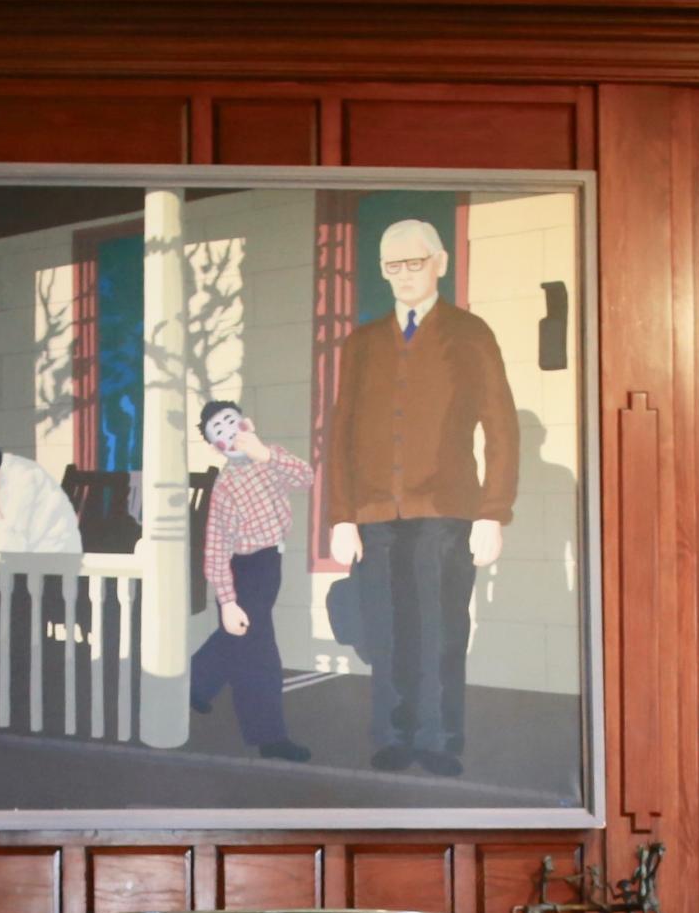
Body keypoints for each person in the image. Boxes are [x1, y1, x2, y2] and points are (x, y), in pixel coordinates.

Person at [325, 218, 519, 777]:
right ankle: (392, 735)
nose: (405, 275)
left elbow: (501, 424)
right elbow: (340, 431)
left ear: (440, 263)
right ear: (382, 272)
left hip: (448, 511)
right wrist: (341, 516)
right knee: (384, 629)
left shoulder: (470, 333)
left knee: (440, 627)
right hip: (374, 515)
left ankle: (439, 739)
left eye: (415, 262)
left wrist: (493, 512)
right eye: (393, 265)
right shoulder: (361, 343)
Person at [187, 400, 312, 762]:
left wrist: (265, 455)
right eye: (219, 434)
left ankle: (195, 684)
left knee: (240, 642)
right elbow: (216, 547)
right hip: (242, 569)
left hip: (270, 561)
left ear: (248, 423)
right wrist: (227, 601)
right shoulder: (225, 486)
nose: (228, 434)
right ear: (216, 448)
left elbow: (305, 478)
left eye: (231, 423)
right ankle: (270, 738)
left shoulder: (270, 458)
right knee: (257, 652)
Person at [0, 440, 83, 555]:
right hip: (38, 567)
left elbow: (10, 552)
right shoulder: (14, 474)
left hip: (53, 567)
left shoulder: (23, 478)